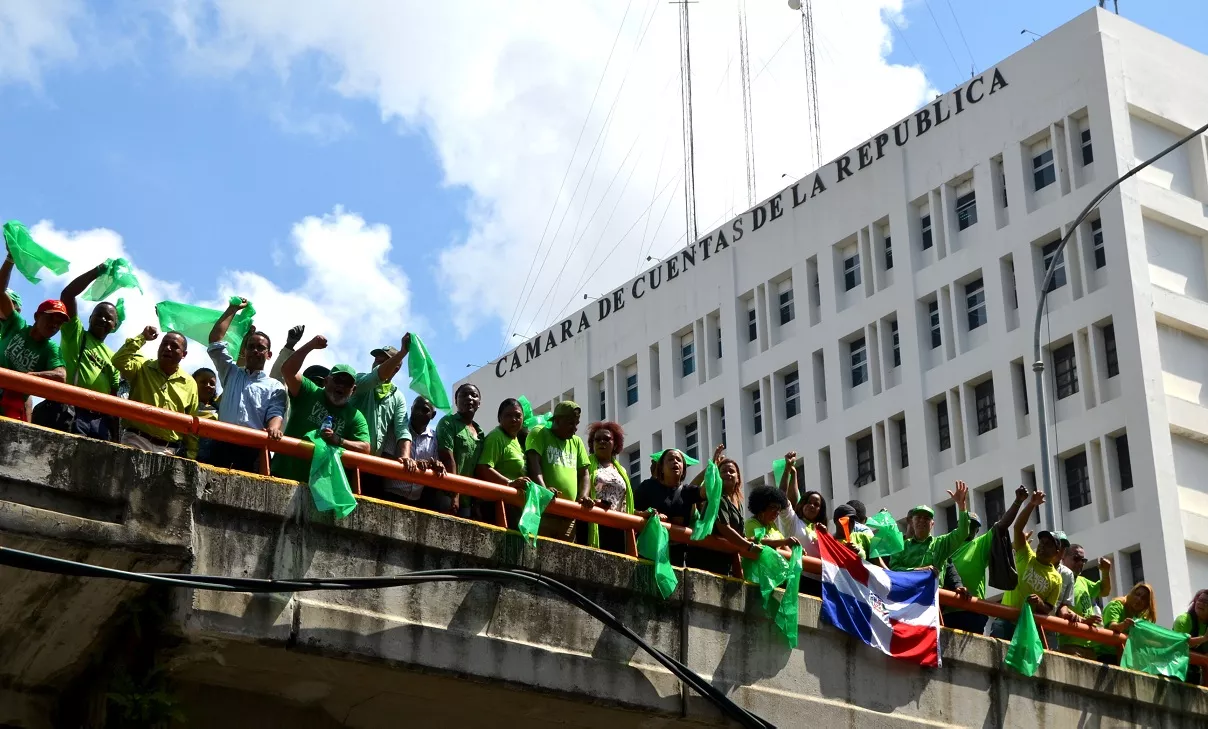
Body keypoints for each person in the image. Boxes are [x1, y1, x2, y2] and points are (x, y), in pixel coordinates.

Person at [270, 334, 370, 483]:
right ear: (326, 381)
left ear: (353, 390)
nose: (341, 386)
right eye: (337, 380)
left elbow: (365, 448)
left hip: (320, 488)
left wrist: (339, 440)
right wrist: (310, 345)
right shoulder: (310, 392)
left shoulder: (355, 416)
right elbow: (287, 371)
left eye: (347, 383)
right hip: (283, 475)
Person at [202, 298, 287, 472]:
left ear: (268, 354)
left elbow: (276, 412)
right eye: (251, 346)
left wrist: (274, 429)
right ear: (244, 351)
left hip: (252, 450)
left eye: (260, 348)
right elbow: (215, 341)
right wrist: (232, 309)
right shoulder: (231, 373)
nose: (255, 350)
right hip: (221, 445)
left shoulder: (275, 386)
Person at [48, 262, 121, 438]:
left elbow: (114, 395)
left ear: (114, 326)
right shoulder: (76, 333)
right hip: (71, 412)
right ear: (90, 317)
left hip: (99, 422)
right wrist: (97, 271)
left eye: (109, 318)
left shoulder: (115, 357)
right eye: (99, 315)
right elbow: (67, 294)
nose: (103, 319)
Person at [944, 485, 1030, 635]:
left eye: (974, 527)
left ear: (977, 531)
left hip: (972, 611)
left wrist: (1017, 501)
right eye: (967, 524)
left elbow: (1002, 525)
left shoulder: (979, 544)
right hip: (946, 610)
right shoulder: (945, 544)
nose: (969, 528)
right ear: (959, 526)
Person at [988, 490, 1063, 640]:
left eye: (1048, 544)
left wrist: (1039, 602)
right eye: (1041, 542)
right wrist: (1032, 504)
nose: (1042, 546)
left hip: (1027, 627)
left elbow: (1049, 608)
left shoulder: (1056, 578)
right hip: (1005, 620)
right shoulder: (1026, 555)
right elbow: (1017, 528)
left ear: (1057, 552)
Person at [112, 326, 198, 455]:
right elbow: (118, 360)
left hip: (168, 449)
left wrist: (191, 454)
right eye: (164, 344)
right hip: (136, 439)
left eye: (174, 346)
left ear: (184, 354)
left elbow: (192, 422)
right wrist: (142, 337)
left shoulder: (190, 383)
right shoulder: (142, 367)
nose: (167, 348)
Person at [686, 445, 762, 577]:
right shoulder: (717, 497)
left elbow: (738, 535)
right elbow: (724, 528)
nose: (728, 474)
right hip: (705, 559)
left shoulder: (738, 504)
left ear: (738, 477)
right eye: (723, 471)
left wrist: (753, 540)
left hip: (723, 562)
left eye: (731, 471)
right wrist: (748, 546)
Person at [348, 338, 411, 496]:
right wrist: (403, 352)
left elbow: (402, 430)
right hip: (348, 458)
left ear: (396, 369)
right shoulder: (359, 380)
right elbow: (376, 377)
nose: (377, 364)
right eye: (376, 360)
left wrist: (405, 457)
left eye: (383, 362)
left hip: (373, 466)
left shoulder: (398, 396)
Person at [524, 400, 590, 541]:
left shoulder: (577, 442)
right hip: (545, 510)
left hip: (569, 515)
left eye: (576, 424)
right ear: (558, 420)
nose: (575, 428)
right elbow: (533, 463)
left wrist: (583, 495)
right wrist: (544, 490)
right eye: (571, 423)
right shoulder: (540, 432)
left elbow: (584, 473)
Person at [634, 448, 711, 566]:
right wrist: (647, 514)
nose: (675, 462)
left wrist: (713, 468)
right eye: (670, 459)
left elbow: (705, 492)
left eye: (679, 460)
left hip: (675, 558)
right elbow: (629, 510)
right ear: (661, 468)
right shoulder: (647, 487)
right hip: (648, 554)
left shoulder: (687, 491)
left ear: (683, 469)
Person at [889, 481, 970, 572]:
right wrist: (918, 570)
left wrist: (961, 506)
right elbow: (894, 569)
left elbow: (963, 532)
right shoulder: (901, 546)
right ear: (912, 522)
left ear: (932, 524)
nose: (922, 520)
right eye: (918, 517)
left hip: (933, 586)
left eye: (926, 518)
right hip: (908, 586)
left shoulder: (941, 544)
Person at [475, 398, 532, 525]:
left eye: (518, 416)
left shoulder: (517, 440)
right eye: (508, 416)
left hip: (515, 506)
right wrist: (510, 483)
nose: (514, 419)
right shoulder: (496, 437)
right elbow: (483, 467)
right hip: (499, 506)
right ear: (499, 418)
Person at [381, 396, 447, 507]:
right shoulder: (398, 429)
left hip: (417, 500)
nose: (419, 412)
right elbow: (385, 457)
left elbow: (433, 464)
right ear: (411, 409)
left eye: (425, 410)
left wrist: (436, 465)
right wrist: (415, 464)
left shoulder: (434, 438)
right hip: (390, 495)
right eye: (416, 408)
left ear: (433, 415)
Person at [581, 421, 635, 553]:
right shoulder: (586, 465)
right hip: (594, 523)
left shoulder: (621, 470)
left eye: (606, 439)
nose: (601, 442)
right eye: (597, 439)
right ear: (592, 444)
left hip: (617, 526)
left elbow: (624, 501)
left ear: (615, 444)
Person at [437, 383, 484, 518]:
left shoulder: (480, 432)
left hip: (468, 500)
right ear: (456, 401)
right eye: (464, 395)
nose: (469, 398)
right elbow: (447, 458)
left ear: (479, 403)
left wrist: (477, 502)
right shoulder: (447, 422)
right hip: (448, 494)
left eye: (474, 396)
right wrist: (454, 494)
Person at [1058, 545, 1113, 659]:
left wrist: (1105, 572)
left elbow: (1104, 590)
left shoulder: (1082, 581)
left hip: (1090, 645)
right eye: (1076, 559)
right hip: (1070, 643)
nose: (1080, 563)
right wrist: (1082, 620)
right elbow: (1058, 606)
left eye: (1083, 560)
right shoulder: (1059, 578)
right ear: (1063, 558)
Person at [1097, 582, 1158, 664]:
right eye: (1137, 594)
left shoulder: (1142, 619)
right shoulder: (1116, 605)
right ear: (1132, 593)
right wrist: (1123, 625)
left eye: (1144, 598)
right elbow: (1112, 626)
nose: (1139, 599)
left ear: (1147, 605)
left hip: (1129, 659)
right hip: (1106, 656)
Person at [1173, 589, 1208, 684]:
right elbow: (1179, 646)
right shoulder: (1183, 620)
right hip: (1177, 661)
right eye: (1199, 600)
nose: (1201, 603)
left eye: (1206, 602)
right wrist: (1204, 638)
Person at [185, 367, 220, 460]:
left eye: (212, 383)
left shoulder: (219, 410)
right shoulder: (184, 405)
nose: (208, 385)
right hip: (182, 455)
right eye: (203, 382)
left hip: (209, 460)